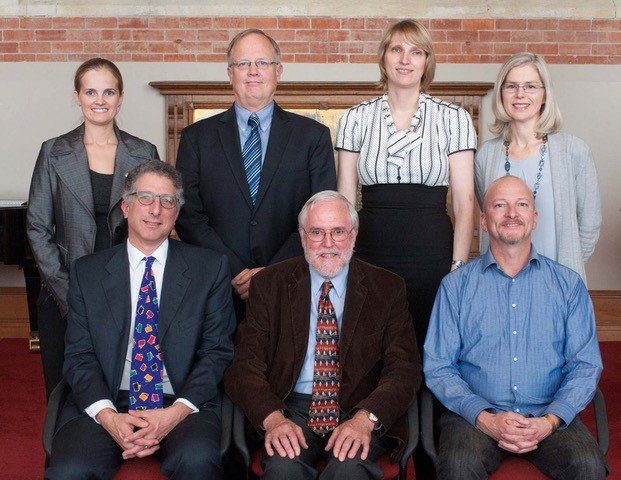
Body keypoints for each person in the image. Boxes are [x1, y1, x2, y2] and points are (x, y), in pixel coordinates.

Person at [45, 161, 236, 479]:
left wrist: (172, 415)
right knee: (68, 471)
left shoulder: (210, 269)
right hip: (109, 399)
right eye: (145, 198)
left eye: (167, 201)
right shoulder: (88, 272)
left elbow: (217, 352)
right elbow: (79, 356)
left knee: (198, 463)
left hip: (181, 402)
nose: (155, 210)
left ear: (176, 214)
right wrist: (109, 418)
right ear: (126, 206)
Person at [224, 190, 420, 480]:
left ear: (353, 235)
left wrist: (366, 419)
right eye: (317, 232)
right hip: (290, 408)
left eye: (338, 232)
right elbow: (244, 367)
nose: (328, 244)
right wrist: (273, 418)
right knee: (282, 467)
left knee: (349, 469)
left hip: (358, 408)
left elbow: (404, 369)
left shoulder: (387, 288)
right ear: (303, 237)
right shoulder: (269, 284)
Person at [424, 176, 608, 479]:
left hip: (548, 414)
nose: (512, 213)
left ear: (533, 218)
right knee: (458, 467)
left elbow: (585, 365)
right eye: (500, 205)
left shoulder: (568, 285)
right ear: (484, 221)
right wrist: (483, 417)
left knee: (588, 466)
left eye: (521, 204)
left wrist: (550, 420)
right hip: (475, 418)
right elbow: (439, 366)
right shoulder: (455, 287)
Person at [175, 28, 336, 324]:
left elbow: (322, 215)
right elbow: (187, 215)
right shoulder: (196, 138)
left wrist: (271, 273)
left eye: (262, 63)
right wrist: (233, 269)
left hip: (291, 284)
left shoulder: (312, 137)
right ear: (229, 73)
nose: (253, 71)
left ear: (278, 71)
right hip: (218, 290)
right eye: (243, 64)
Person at [335, 19, 476, 347]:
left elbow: (465, 202)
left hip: (433, 253)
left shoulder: (454, 118)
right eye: (396, 49)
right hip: (370, 251)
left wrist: (458, 266)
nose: (405, 59)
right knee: (372, 344)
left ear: (427, 61)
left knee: (432, 344)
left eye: (416, 51)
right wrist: (344, 259)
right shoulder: (355, 118)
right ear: (383, 57)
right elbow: (343, 199)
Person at [27, 57, 160, 398]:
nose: (100, 100)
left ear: (120, 97)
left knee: (120, 386)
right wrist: (67, 292)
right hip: (64, 288)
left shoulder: (144, 152)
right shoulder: (53, 151)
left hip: (125, 287)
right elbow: (38, 227)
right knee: (63, 390)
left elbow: (153, 220)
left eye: (108, 92)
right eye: (90, 91)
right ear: (77, 96)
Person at [474, 52, 601, 283]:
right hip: (499, 282)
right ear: (501, 94)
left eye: (531, 86)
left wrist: (565, 270)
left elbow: (589, 226)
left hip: (559, 281)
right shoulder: (485, 155)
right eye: (511, 86)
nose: (520, 94)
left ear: (544, 95)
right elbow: (488, 219)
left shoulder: (574, 151)